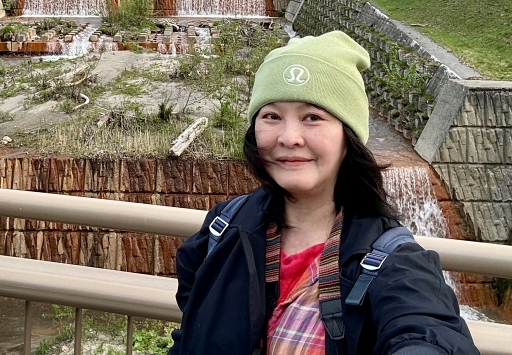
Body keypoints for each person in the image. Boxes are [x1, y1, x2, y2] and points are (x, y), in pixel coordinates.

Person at [170, 31, 479, 355]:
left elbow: (426, 331)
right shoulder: (222, 229)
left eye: (312, 117)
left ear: (349, 137)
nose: (289, 137)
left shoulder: (392, 262)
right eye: (272, 116)